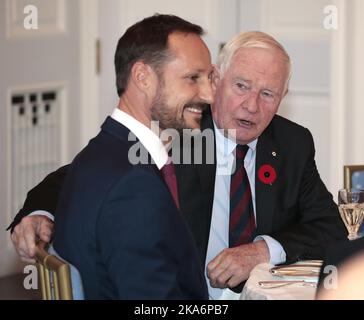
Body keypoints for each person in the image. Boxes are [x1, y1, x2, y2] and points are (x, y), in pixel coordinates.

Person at [8, 31, 346, 300]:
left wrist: (262, 251)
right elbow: (87, 174)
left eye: (268, 94)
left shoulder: (290, 144)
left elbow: (330, 228)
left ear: (283, 98)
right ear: (216, 81)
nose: (252, 106)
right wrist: (40, 213)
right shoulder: (184, 131)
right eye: (241, 86)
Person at [8, 14, 215, 299]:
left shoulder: (101, 152)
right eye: (193, 78)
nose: (209, 94)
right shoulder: (133, 186)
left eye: (210, 78)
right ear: (142, 77)